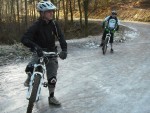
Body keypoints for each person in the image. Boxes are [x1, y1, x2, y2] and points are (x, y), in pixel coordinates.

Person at [21, 0, 67, 106]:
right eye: (48, 11)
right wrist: (36, 47)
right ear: (42, 13)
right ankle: (30, 76)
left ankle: (51, 97)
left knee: (52, 78)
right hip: (39, 51)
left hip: (51, 52)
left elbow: (61, 37)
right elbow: (24, 39)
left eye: (52, 11)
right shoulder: (36, 25)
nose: (51, 13)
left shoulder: (54, 24)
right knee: (30, 67)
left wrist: (64, 50)